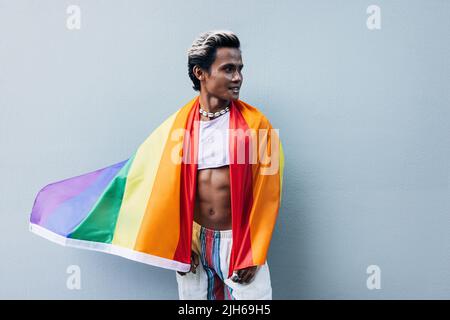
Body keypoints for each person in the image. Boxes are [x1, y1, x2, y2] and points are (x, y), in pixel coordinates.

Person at [175, 30, 274, 300]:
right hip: (194, 242)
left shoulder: (258, 125)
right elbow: (166, 187)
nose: (238, 77)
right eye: (228, 69)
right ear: (200, 73)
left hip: (239, 242)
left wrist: (256, 250)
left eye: (240, 69)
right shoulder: (179, 125)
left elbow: (269, 195)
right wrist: (180, 242)